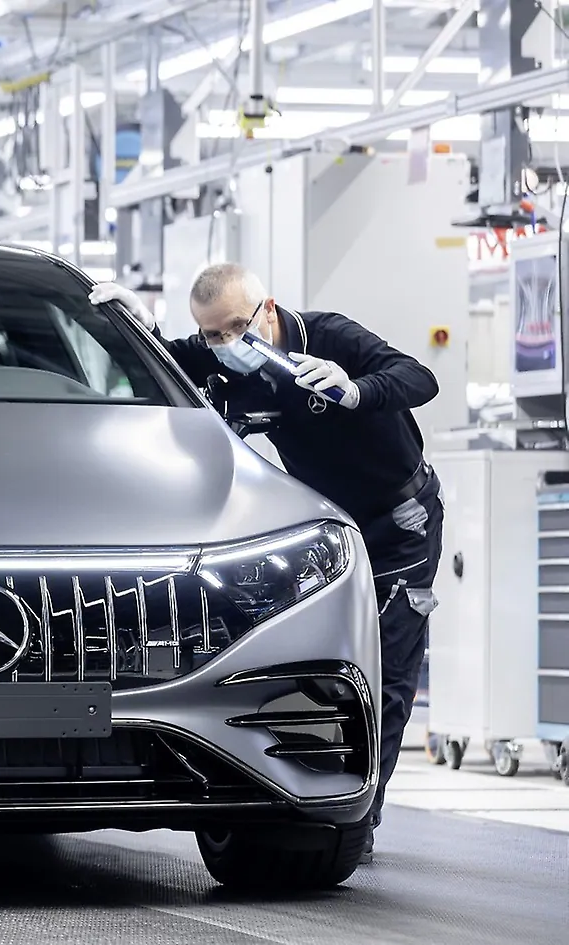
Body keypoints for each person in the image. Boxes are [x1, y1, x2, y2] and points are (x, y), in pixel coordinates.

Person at [92, 264, 442, 864]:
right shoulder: (222, 360)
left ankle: (362, 817)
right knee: (327, 665)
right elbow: (165, 359)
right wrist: (132, 322)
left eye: (236, 327)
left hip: (398, 521)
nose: (227, 346)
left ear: (269, 310)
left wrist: (355, 388)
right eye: (213, 335)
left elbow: (420, 376)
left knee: (388, 666)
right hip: (331, 528)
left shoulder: (330, 338)